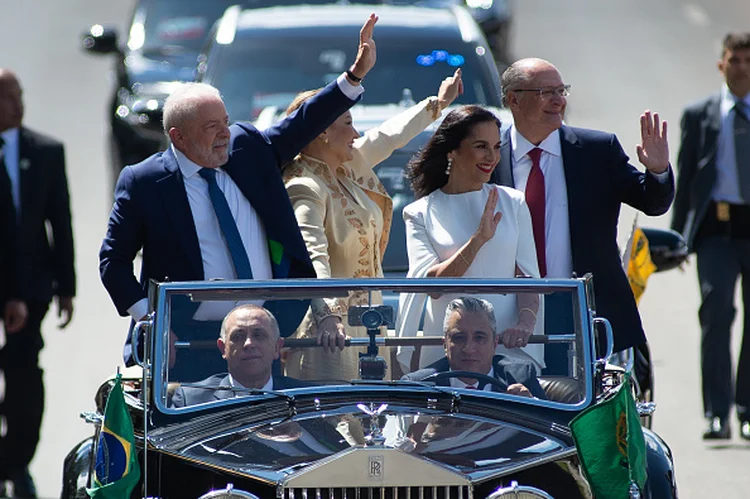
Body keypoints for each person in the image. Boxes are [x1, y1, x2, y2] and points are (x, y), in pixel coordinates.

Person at [99, 14, 379, 370]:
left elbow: (303, 122)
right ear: (178, 137)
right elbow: (113, 261)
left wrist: (353, 77)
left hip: (265, 336)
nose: (224, 134)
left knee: (275, 427)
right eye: (211, 127)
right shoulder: (144, 182)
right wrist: (150, 321)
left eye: (225, 122)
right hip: (189, 341)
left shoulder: (246, 147)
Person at [490, 58, 673, 383]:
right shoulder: (487, 156)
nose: (559, 100)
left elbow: (651, 202)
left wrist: (657, 171)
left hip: (585, 316)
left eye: (562, 91)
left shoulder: (596, 151)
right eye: (546, 92)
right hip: (508, 320)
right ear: (513, 99)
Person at [282, 69, 464, 380]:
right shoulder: (304, 185)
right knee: (338, 425)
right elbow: (313, 258)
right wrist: (328, 317)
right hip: (330, 335)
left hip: (370, 324)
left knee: (375, 423)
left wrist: (437, 104)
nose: (355, 135)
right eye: (349, 124)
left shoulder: (344, 168)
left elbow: (388, 137)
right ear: (323, 131)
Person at [396, 105, 543, 375]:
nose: (492, 156)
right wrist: (478, 240)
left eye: (497, 147)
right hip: (447, 353)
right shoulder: (419, 212)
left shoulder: (513, 203)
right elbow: (432, 286)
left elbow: (528, 280)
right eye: (481, 146)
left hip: (506, 349)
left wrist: (524, 325)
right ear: (452, 150)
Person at [671, 33, 750, 441]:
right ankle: (717, 413)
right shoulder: (701, 114)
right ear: (721, 64)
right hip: (718, 229)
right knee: (717, 315)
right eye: (734, 60)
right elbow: (687, 180)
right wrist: (677, 236)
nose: (741, 68)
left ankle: (747, 408)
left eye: (748, 60)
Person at [0, 68, 75, 498]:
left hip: (32, 289)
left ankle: (16, 462)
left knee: (24, 379)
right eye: (7, 97)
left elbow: (58, 222)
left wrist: (66, 286)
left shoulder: (45, 151)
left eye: (19, 95)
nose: (18, 104)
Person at [402, 297, 546, 399]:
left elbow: (551, 429)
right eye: (459, 338)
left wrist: (531, 405)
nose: (469, 348)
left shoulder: (520, 376)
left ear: (494, 344)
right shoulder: (418, 386)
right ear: (445, 344)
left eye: (479, 338)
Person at [171, 304, 308, 407]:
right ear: (223, 348)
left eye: (258, 335)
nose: (249, 344)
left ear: (277, 347)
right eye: (238, 336)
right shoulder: (190, 401)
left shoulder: (305, 398)